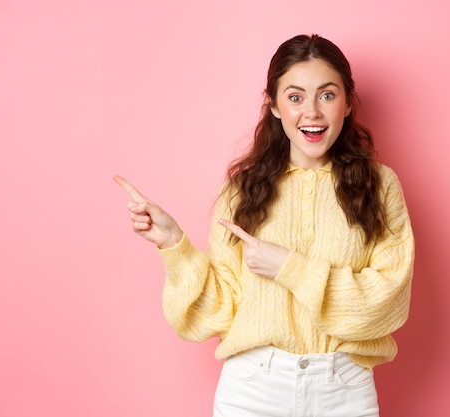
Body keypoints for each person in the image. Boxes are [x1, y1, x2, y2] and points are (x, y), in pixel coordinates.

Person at [115, 34, 414, 417]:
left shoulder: (380, 185)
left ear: (348, 103)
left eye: (327, 95)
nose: (312, 112)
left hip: (344, 391)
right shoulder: (244, 189)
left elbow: (386, 301)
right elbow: (218, 309)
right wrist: (175, 246)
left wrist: (291, 268)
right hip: (253, 389)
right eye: (294, 97)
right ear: (273, 106)